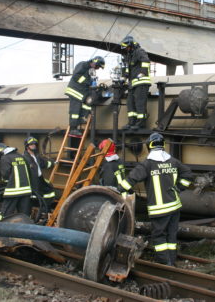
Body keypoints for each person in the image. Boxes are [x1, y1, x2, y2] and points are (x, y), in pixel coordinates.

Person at [117, 132, 192, 266]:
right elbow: (188, 173)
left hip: (159, 209)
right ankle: (171, 260)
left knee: (159, 236)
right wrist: (179, 187)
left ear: (149, 146)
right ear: (163, 145)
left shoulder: (147, 164)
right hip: (175, 207)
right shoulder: (173, 161)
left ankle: (164, 263)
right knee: (171, 235)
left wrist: (118, 190)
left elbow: (131, 179)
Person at [64, 56, 105, 136]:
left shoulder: (90, 70)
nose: (97, 69)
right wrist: (88, 82)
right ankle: (73, 129)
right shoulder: (83, 65)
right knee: (75, 111)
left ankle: (81, 118)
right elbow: (76, 76)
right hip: (75, 91)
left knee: (90, 101)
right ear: (94, 63)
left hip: (81, 92)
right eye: (98, 66)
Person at [120, 36, 151, 130]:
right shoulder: (129, 55)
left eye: (127, 47)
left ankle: (140, 123)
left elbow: (146, 60)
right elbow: (127, 69)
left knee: (139, 103)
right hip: (132, 84)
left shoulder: (139, 51)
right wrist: (124, 77)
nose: (126, 49)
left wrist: (143, 72)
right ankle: (131, 123)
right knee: (130, 103)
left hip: (141, 82)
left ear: (131, 45)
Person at [0, 142, 32, 218]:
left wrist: (5, 180)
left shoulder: (5, 158)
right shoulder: (21, 156)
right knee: (24, 215)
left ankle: (1, 225)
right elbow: (29, 171)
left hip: (13, 191)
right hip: (26, 191)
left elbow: (5, 174)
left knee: (5, 214)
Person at [22, 136, 55, 216]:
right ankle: (33, 214)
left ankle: (44, 210)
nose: (34, 145)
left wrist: (53, 162)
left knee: (49, 190)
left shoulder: (36, 156)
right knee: (33, 198)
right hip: (32, 181)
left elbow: (44, 164)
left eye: (35, 144)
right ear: (27, 146)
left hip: (40, 179)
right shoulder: (25, 158)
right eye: (31, 144)